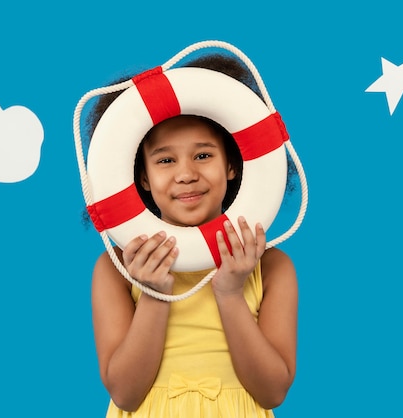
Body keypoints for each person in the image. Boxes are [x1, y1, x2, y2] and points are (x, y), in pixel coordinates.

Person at [87, 53, 298, 417]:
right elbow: (125, 393)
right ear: (142, 178)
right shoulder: (118, 266)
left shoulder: (272, 265)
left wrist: (231, 292)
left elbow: (273, 391)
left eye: (203, 156)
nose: (185, 174)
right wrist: (154, 294)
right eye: (165, 161)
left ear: (232, 164)